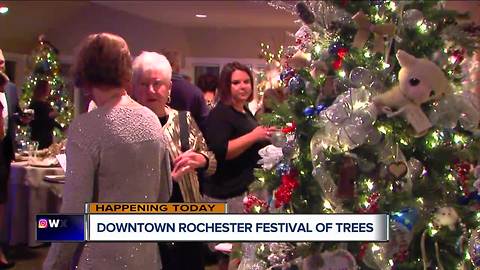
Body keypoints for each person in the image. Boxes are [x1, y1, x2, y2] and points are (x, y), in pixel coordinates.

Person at [43, 33, 172, 270]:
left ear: (86, 72)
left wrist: (54, 264)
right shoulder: (151, 120)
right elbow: (164, 193)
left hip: (100, 258)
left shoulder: (86, 128)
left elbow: (73, 210)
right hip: (146, 256)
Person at [132, 51, 217, 270]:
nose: (151, 90)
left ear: (169, 88)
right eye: (144, 84)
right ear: (134, 88)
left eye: (157, 83)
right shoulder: (128, 127)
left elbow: (211, 161)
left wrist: (202, 160)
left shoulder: (184, 119)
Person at [203, 62, 276, 213]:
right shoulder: (220, 114)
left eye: (246, 82)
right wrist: (254, 136)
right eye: (236, 82)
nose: (243, 86)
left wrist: (265, 133)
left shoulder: (244, 110)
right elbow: (220, 152)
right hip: (228, 196)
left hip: (247, 191)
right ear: (226, 86)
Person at [162, 50, 209, 132]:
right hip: (185, 140)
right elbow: (205, 126)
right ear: (177, 66)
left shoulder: (149, 91)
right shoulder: (194, 92)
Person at [28, 79, 63, 149]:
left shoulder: (46, 104)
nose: (49, 90)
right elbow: (35, 121)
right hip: (39, 137)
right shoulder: (35, 105)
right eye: (48, 88)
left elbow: (50, 120)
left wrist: (60, 127)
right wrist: (50, 116)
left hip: (47, 136)